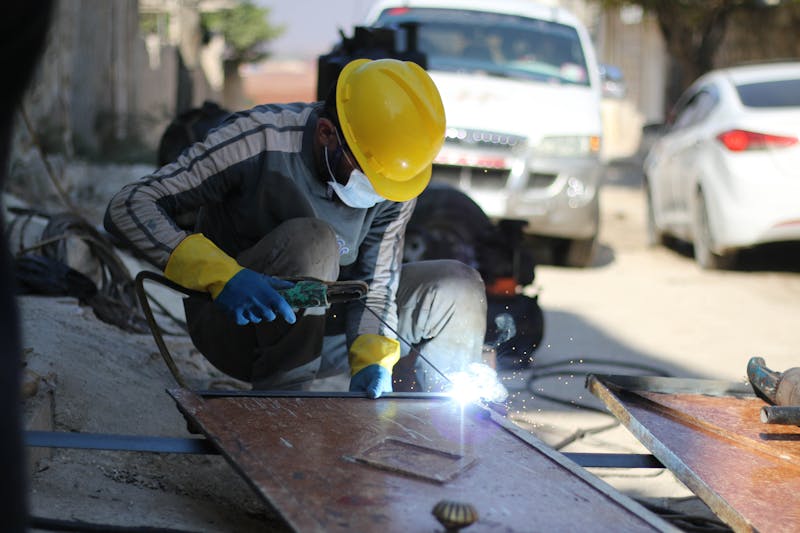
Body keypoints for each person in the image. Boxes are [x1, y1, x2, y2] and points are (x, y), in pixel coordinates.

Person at [104, 58, 487, 398]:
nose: (377, 192)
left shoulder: (394, 183)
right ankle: (287, 411)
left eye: (386, 183)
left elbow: (377, 285)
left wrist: (373, 359)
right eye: (367, 176)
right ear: (326, 133)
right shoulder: (257, 139)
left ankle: (435, 432)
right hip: (238, 326)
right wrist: (224, 277)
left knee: (457, 287)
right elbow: (129, 205)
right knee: (316, 241)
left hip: (330, 331)